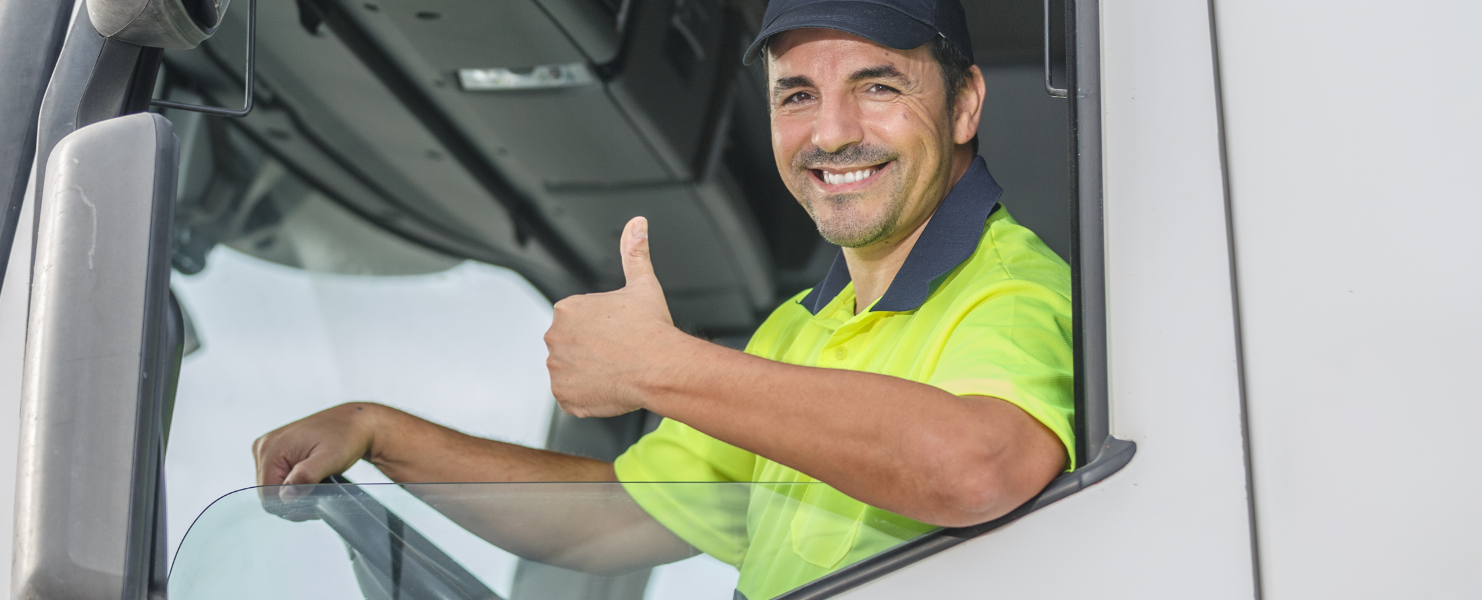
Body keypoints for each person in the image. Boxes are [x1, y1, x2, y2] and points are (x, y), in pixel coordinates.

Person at [253, 0, 1075, 597]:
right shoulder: (796, 333)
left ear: (964, 103)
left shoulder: (1010, 289)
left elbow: (979, 465)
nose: (830, 133)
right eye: (796, 95)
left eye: (878, 87)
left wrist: (658, 369)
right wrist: (381, 429)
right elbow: (613, 519)